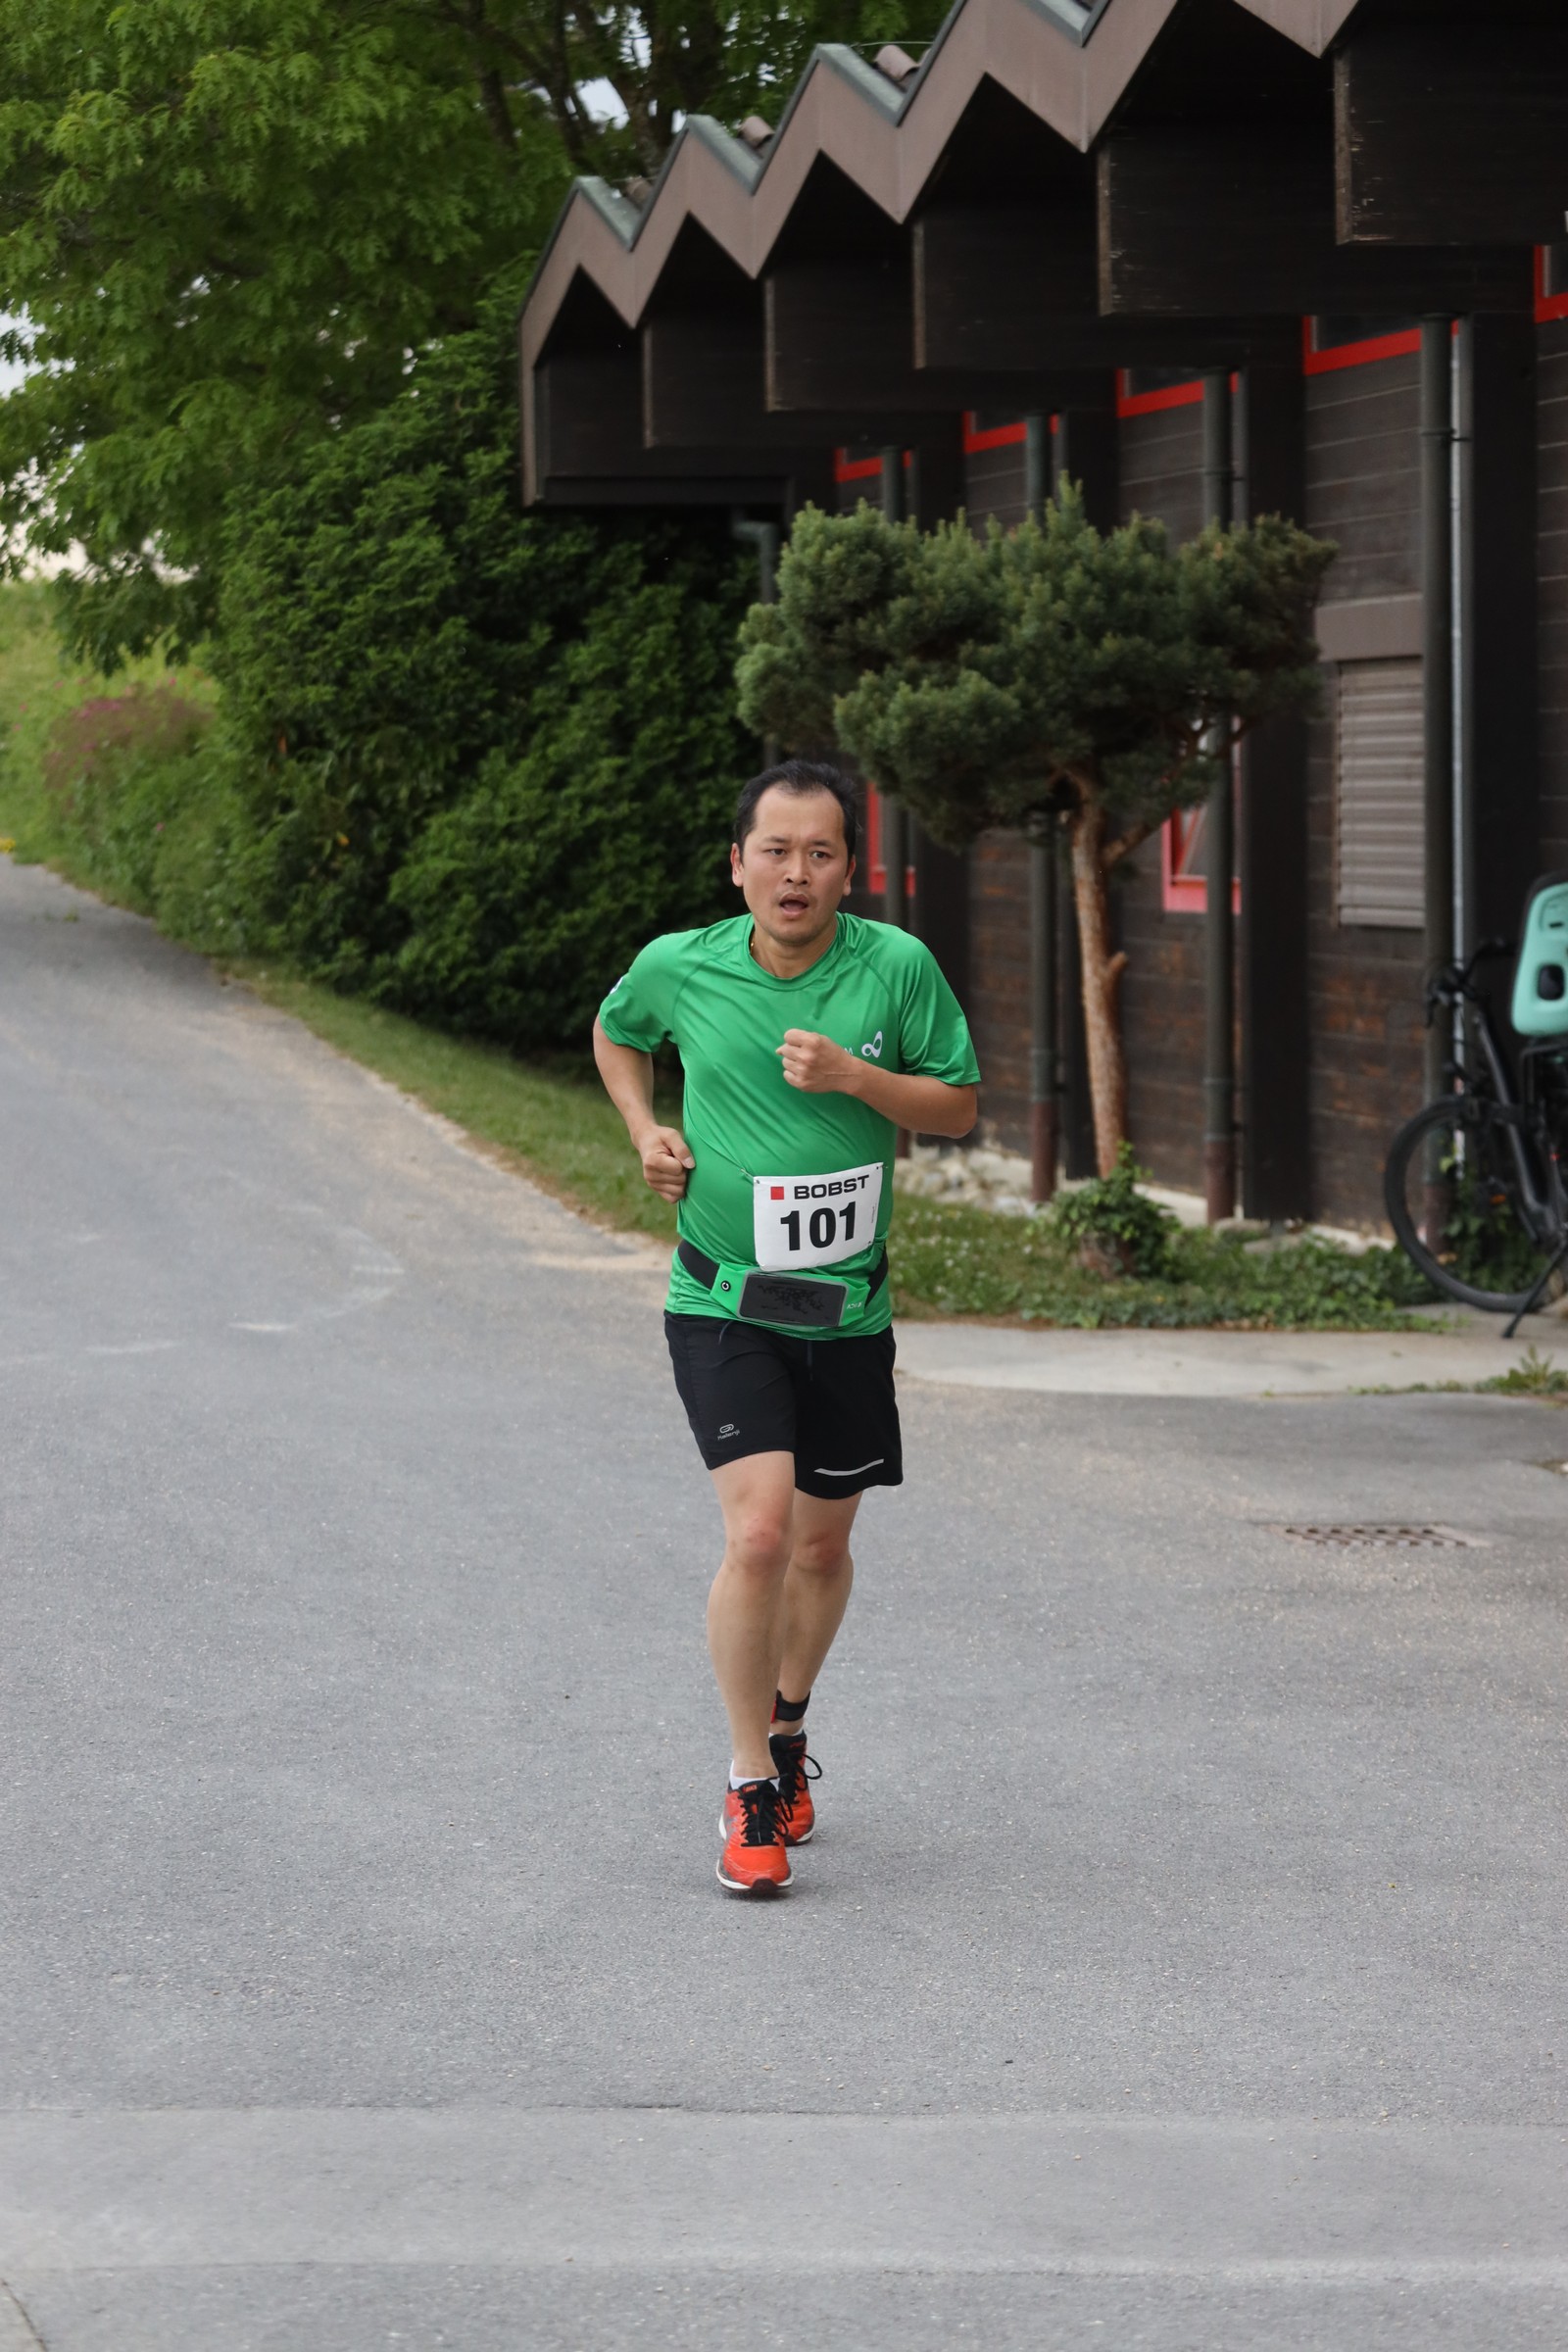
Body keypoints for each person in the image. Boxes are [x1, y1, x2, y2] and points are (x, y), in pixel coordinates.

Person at [593, 760, 979, 1893]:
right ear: (738, 865)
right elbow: (617, 1034)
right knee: (759, 1535)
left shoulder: (895, 968)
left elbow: (957, 1106)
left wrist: (857, 1077)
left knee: (819, 1547)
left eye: (819, 853)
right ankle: (749, 1780)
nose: (795, 872)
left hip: (846, 1310)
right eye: (775, 851)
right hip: (722, 1299)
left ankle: (790, 1718)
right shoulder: (682, 965)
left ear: (851, 869)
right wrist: (645, 1132)